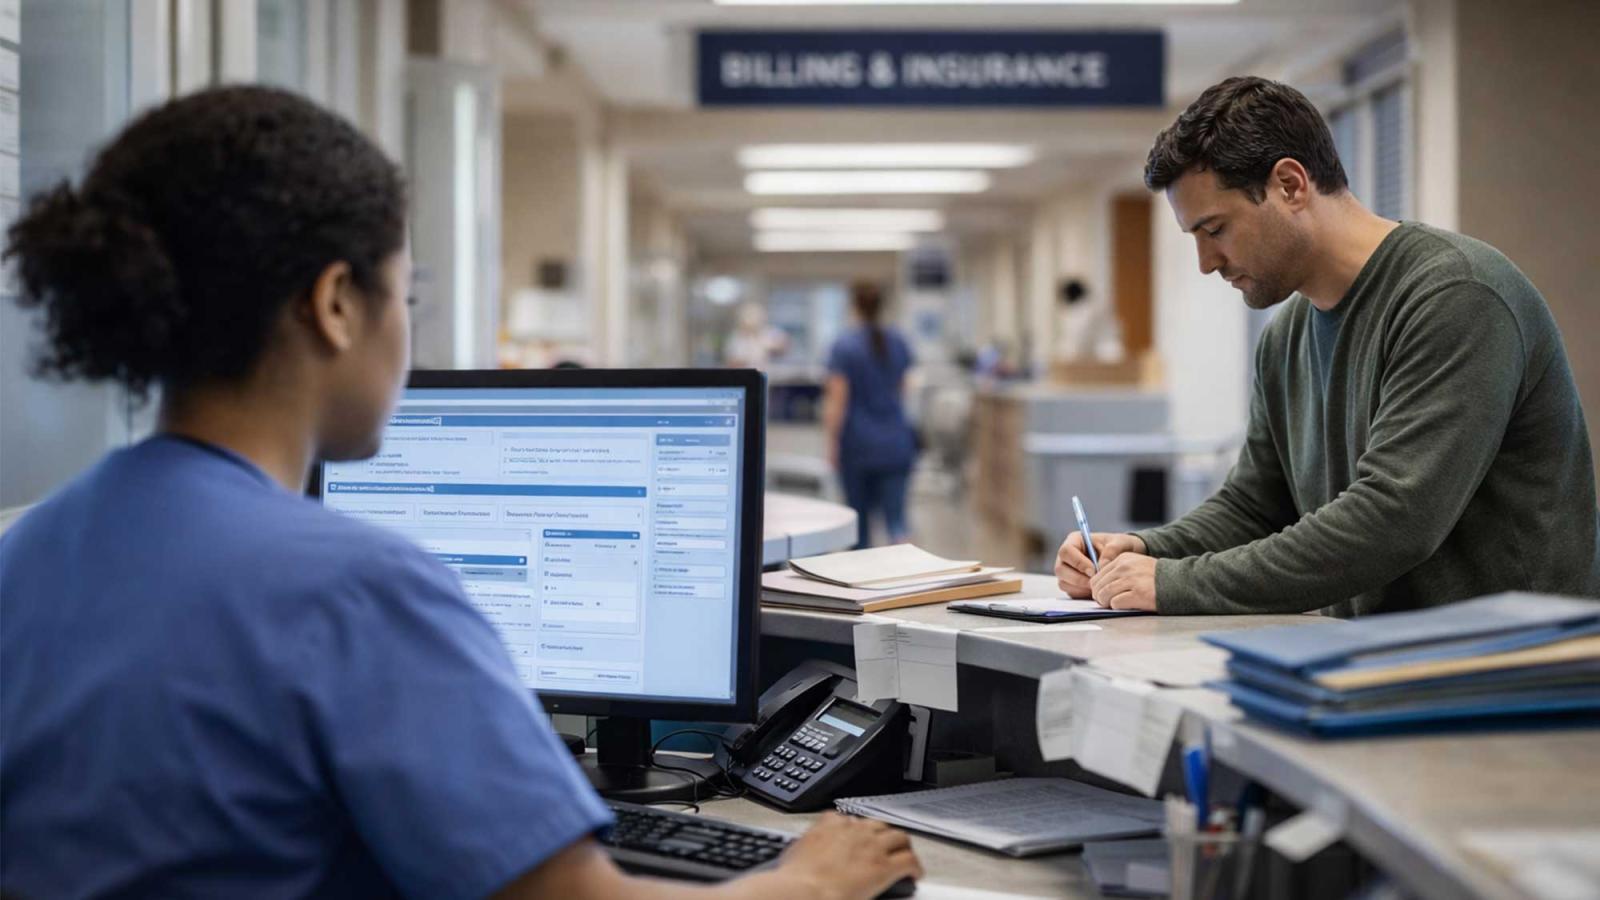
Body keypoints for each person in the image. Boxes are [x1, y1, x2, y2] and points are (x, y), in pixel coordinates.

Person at [0, 86, 920, 900]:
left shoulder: (30, 551)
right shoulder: (354, 586)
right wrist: (805, 883)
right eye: (404, 294)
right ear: (335, 303)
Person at [1056, 75, 1600, 617]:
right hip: (1372, 666)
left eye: (1215, 229)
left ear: (1290, 185)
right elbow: (1254, 508)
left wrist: (1175, 583)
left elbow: (1395, 520)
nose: (1206, 262)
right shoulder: (1286, 336)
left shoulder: (1456, 296)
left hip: (1507, 676)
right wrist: (1145, 552)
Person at [823, 282, 918, 549]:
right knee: (897, 523)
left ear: (854, 306)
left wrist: (832, 444)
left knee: (858, 527)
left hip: (858, 446)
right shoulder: (899, 341)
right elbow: (902, 390)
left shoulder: (843, 346)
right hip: (896, 443)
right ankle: (910, 580)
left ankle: (861, 586)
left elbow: (837, 401)